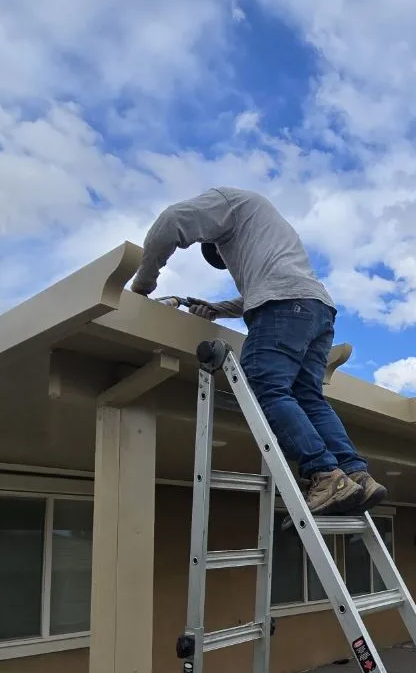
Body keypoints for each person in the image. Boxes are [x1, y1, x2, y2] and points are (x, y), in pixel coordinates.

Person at [129, 187, 387, 516]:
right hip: (316, 309)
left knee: (267, 384)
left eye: (221, 256)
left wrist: (143, 284)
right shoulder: (269, 230)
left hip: (284, 306)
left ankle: (323, 473)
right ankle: (355, 474)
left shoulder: (226, 202)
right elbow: (262, 287)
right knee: (308, 397)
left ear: (213, 233)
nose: (226, 262)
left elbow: (172, 222)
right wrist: (216, 308)